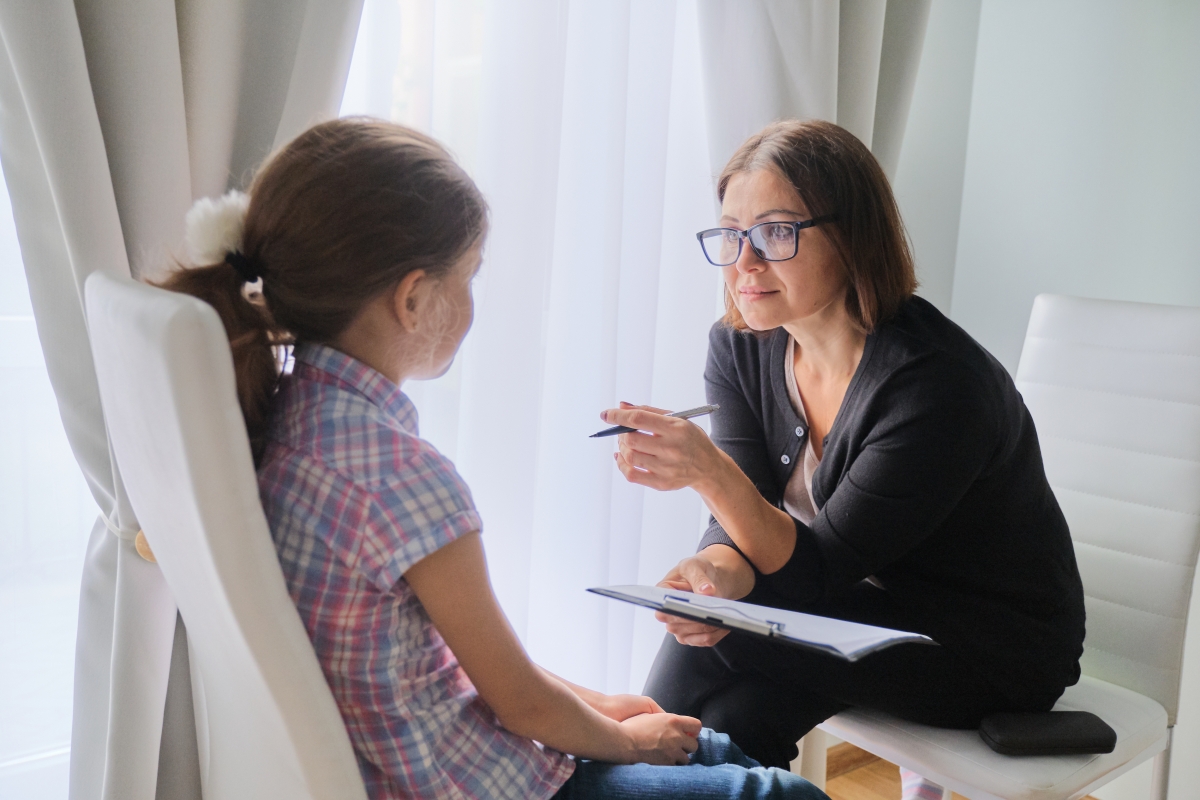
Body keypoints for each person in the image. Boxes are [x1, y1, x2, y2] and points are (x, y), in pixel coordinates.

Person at [161, 118, 827, 800]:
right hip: (481, 785)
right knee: (779, 792)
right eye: (469, 277)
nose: (473, 300)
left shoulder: (285, 422)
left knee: (713, 748)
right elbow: (522, 704)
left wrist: (599, 705)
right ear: (414, 299)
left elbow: (464, 665)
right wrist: (623, 739)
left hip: (451, 755)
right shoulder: (401, 478)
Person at [600, 119, 1086, 798]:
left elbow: (812, 572)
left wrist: (707, 473)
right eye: (731, 234)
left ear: (852, 236)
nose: (744, 263)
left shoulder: (938, 384)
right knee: (740, 713)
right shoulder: (743, 346)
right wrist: (711, 574)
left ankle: (611, 774)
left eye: (774, 232)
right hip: (851, 611)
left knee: (723, 639)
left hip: (986, 649)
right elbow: (753, 516)